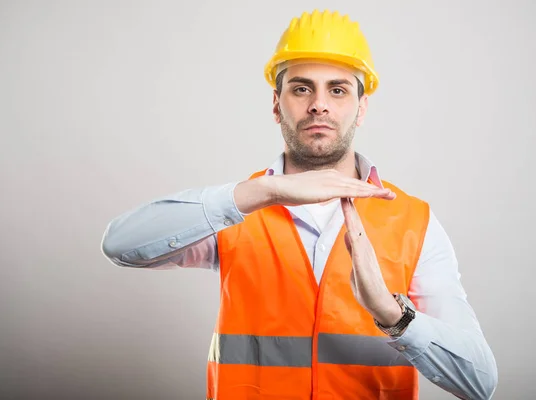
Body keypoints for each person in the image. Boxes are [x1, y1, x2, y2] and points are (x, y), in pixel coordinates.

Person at [101, 9, 498, 400]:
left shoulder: (413, 220)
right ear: (277, 104)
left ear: (361, 107)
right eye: (302, 88)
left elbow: (479, 383)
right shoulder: (239, 209)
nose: (318, 105)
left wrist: (393, 315)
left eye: (338, 90)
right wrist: (267, 193)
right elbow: (121, 245)